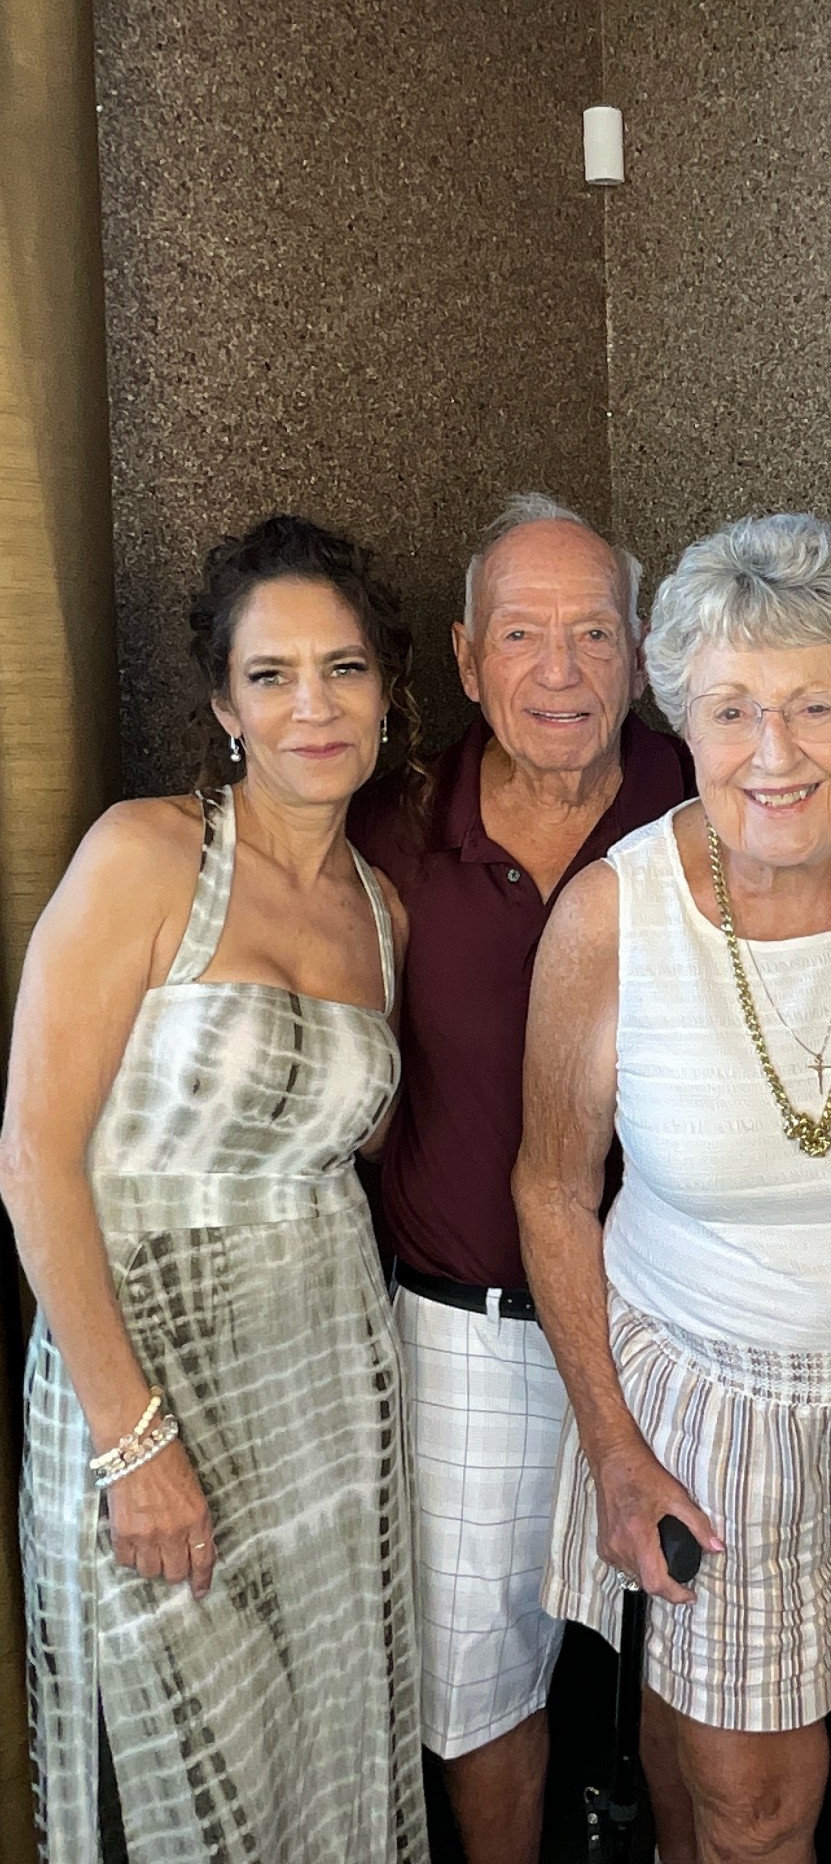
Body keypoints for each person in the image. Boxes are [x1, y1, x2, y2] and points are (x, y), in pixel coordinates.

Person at [515, 513, 831, 1864]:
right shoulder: (612, 916)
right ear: (682, 722)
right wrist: (614, 1450)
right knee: (746, 1818)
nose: (775, 751)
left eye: (814, 705)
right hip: (712, 1417)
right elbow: (552, 1193)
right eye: (733, 709)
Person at [2, 516, 428, 1862]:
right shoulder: (146, 855)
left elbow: (343, 1153)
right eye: (272, 675)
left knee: (314, 1751)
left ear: (387, 694)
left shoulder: (384, 913)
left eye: (345, 669)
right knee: (187, 1784)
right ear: (224, 707)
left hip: (324, 1387)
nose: (315, 706)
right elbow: (35, 1160)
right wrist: (132, 1442)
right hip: (146, 1383)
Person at [348, 494, 695, 1864]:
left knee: (693, 1649)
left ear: (641, 651)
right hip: (465, 1332)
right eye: (521, 635)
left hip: (676, 1320)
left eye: (594, 633)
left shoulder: (708, 791)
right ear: (466, 655)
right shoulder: (392, 826)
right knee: (478, 1677)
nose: (561, 671)